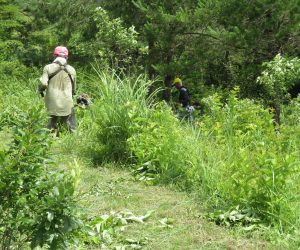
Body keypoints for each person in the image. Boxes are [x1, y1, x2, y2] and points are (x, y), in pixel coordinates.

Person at [38, 46, 77, 134]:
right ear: (66, 57)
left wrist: (40, 90)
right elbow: (74, 88)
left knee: (50, 122)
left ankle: (49, 139)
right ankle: (74, 139)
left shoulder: (48, 67)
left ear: (54, 55)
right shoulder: (72, 69)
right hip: (67, 100)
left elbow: (43, 83)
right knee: (71, 124)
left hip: (52, 101)